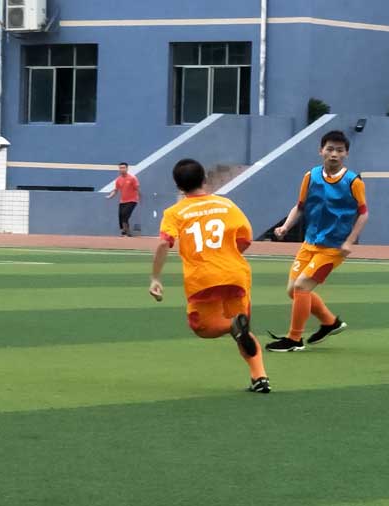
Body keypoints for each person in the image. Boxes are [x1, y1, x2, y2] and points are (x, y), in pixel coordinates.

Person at [149, 158, 270, 393]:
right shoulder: (226, 205)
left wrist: (155, 278)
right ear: (204, 179)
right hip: (236, 273)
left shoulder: (174, 212)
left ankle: (231, 326)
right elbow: (246, 238)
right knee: (243, 330)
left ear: (178, 187)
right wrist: (228, 255)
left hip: (202, 277)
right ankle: (260, 377)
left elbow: (164, 244)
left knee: (202, 326)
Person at [266, 130, 369, 352]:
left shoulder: (353, 181)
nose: (334, 154)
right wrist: (285, 226)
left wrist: (349, 242)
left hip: (333, 248)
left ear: (346, 154)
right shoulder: (310, 176)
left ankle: (294, 340)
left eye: (339, 150)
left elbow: (363, 213)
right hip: (310, 242)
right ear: (321, 150)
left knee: (302, 287)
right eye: (330, 149)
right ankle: (330, 322)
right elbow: (300, 206)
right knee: (293, 290)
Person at [107, 162, 140, 236]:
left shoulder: (132, 178)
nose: (122, 169)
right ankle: (126, 232)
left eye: (123, 168)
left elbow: (137, 188)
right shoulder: (118, 179)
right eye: (120, 168)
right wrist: (110, 196)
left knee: (125, 214)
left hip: (132, 200)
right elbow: (116, 190)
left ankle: (125, 231)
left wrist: (139, 197)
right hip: (122, 201)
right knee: (121, 215)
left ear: (127, 168)